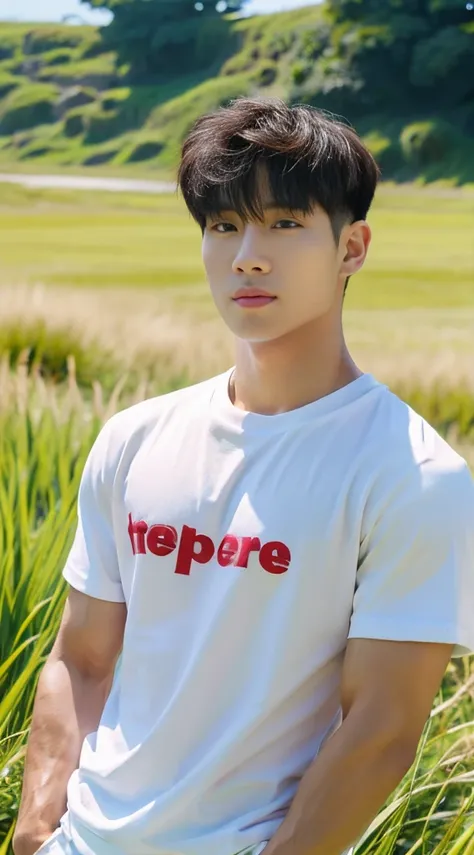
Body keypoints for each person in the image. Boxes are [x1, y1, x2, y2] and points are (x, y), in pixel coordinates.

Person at [13, 96, 474, 855]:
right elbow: (82, 657)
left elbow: (382, 729)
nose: (247, 256)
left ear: (352, 247)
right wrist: (37, 826)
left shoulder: (413, 475)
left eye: (285, 224)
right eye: (224, 226)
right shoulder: (135, 438)